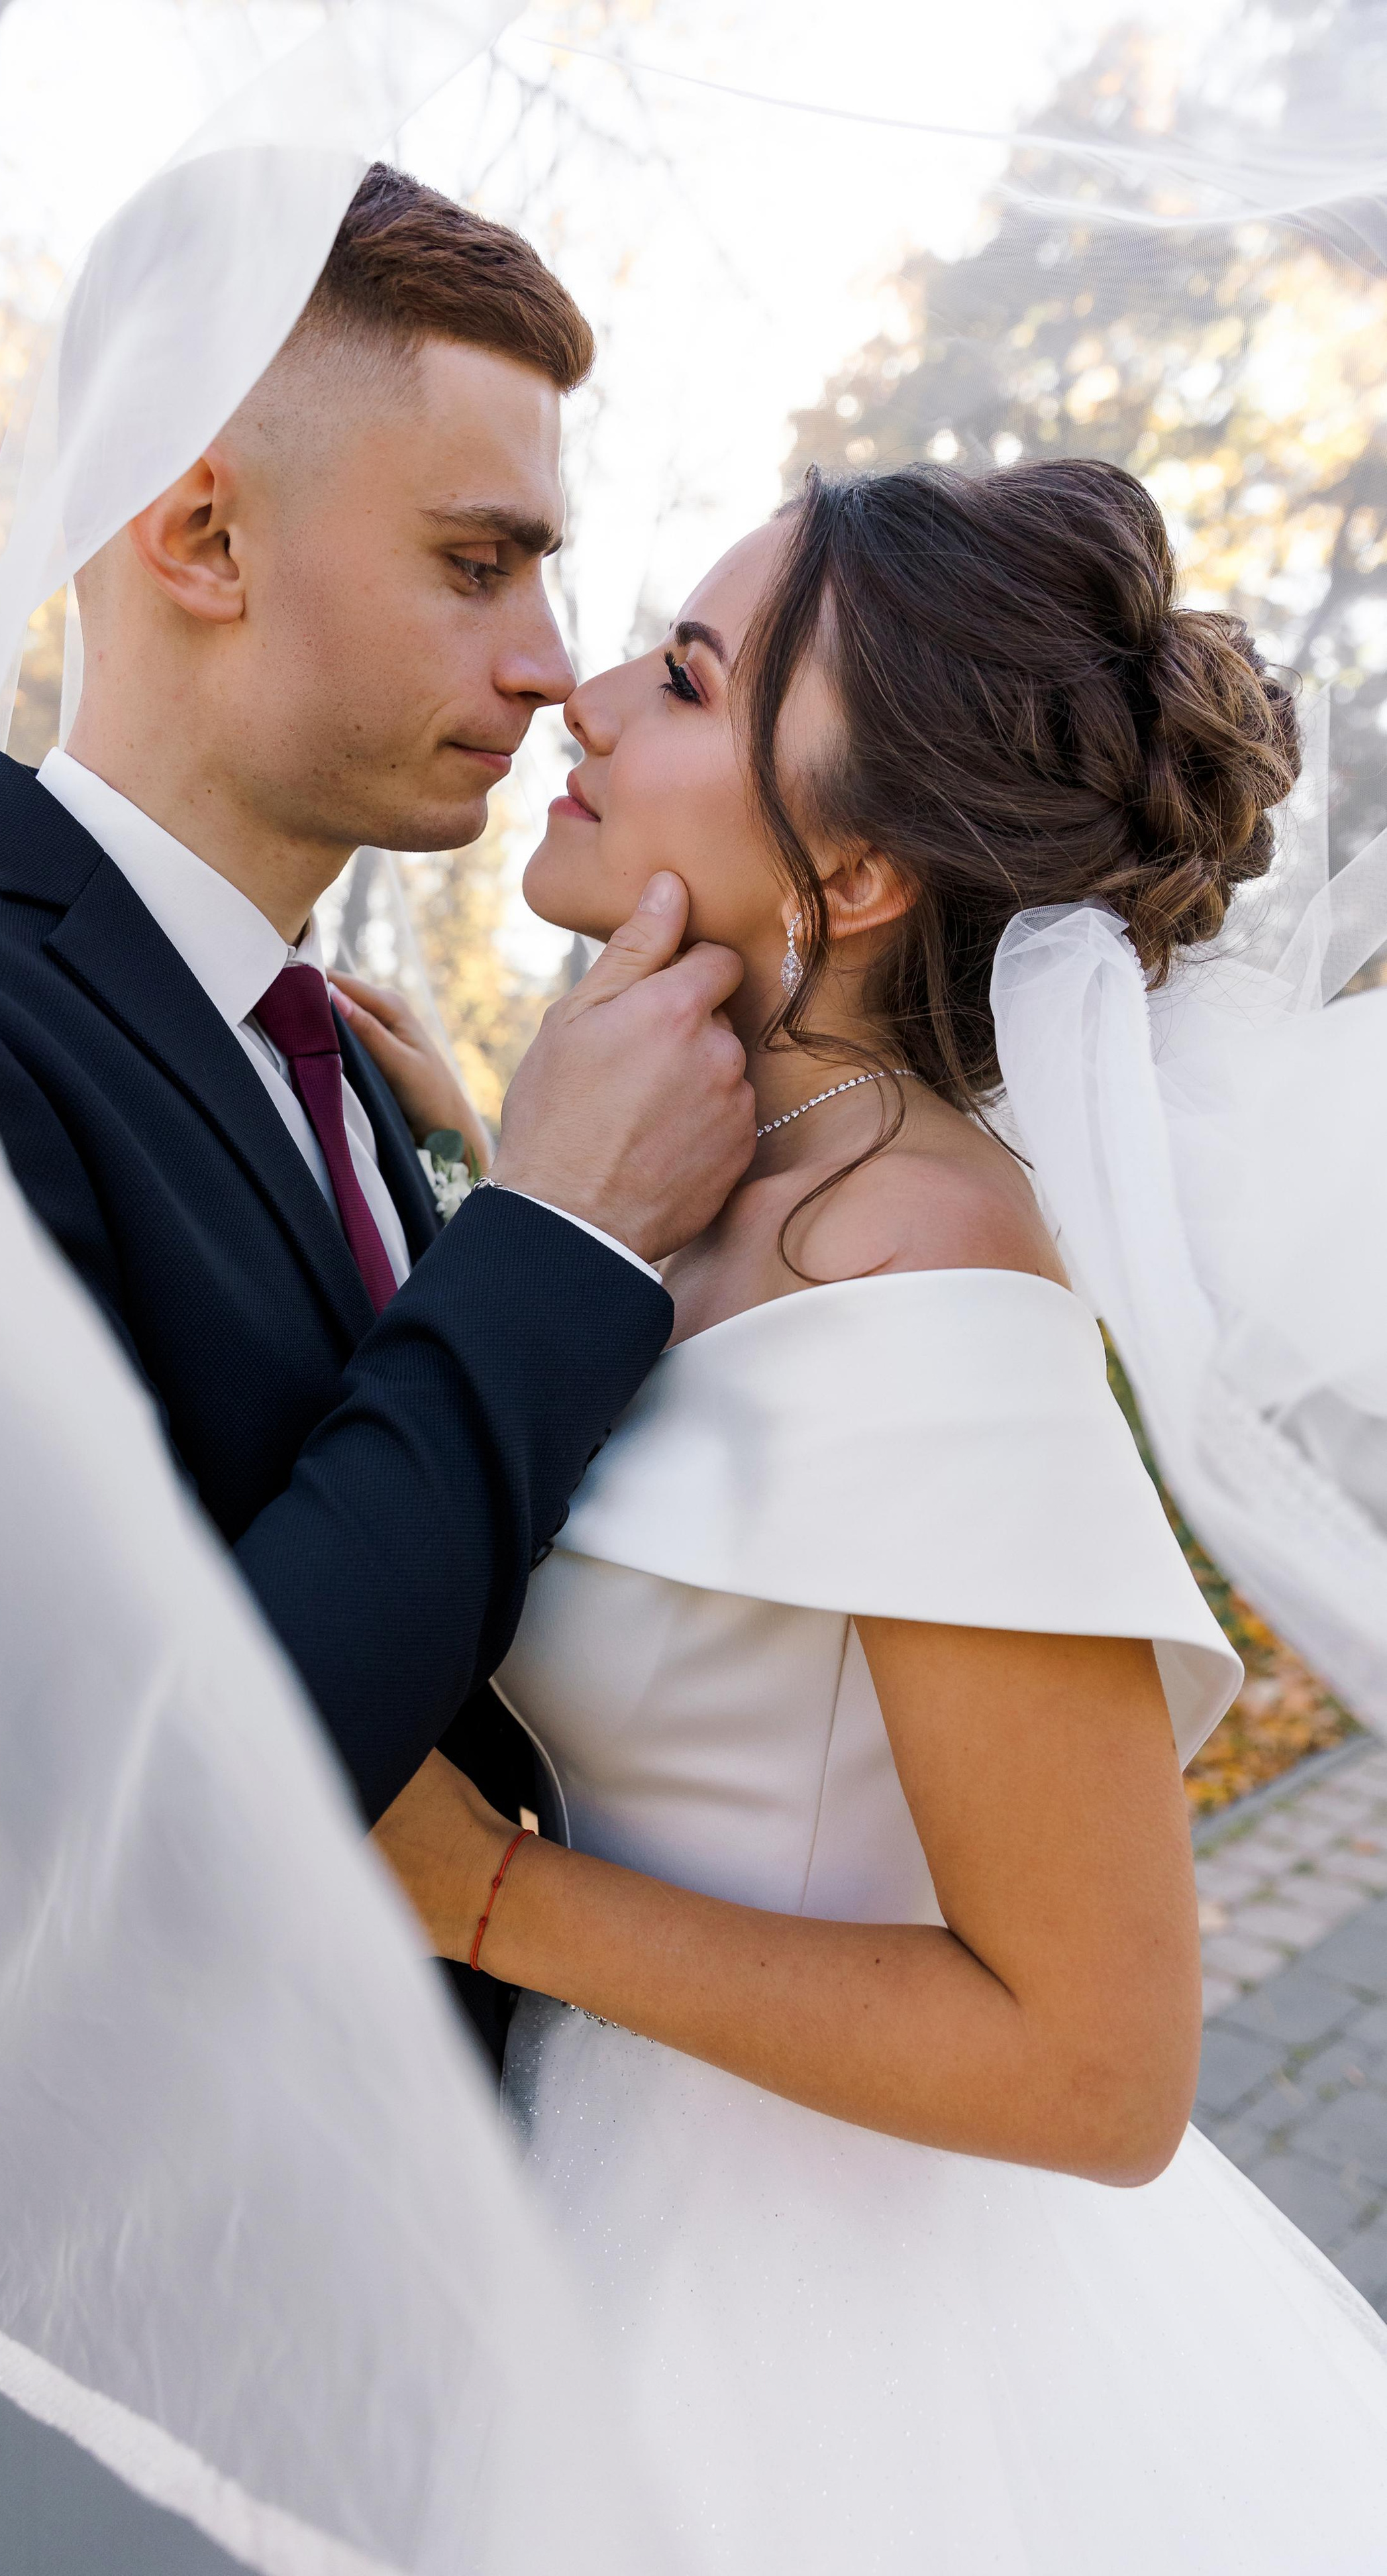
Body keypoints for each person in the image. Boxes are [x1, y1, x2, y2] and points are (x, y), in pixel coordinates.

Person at [0, 166, 753, 2573]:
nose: (559, 662)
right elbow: (176, 1795)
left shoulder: (327, 1044)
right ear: (201, 536)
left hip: (481, 2338)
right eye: (482, 562)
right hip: (149, 2421)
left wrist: (484, 1190)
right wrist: (555, 1237)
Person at [369, 458, 1387, 2572]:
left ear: (845, 870)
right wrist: (499, 1173)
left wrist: (491, 1899)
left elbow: (1103, 2071)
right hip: (624, 2203)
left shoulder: (927, 1273)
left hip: (851, 2359)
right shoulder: (729, 1177)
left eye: (679, 678)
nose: (587, 707)